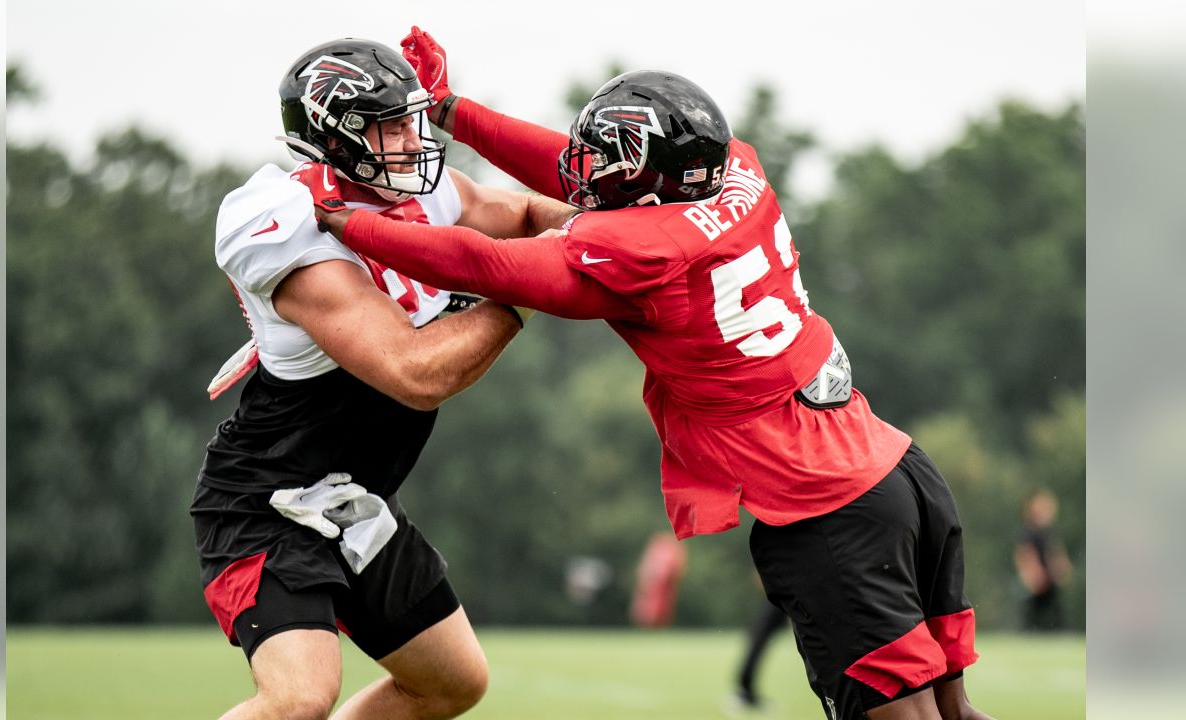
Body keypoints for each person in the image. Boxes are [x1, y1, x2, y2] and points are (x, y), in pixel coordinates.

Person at [294, 26, 999, 720]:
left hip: (823, 505)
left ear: (644, 178)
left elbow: (485, 263)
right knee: (956, 713)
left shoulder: (643, 254)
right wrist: (455, 111)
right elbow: (562, 165)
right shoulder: (739, 169)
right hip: (897, 471)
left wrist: (349, 224)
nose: (585, 170)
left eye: (606, 160)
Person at [192, 38, 584, 720]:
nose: (412, 140)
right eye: (391, 125)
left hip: (354, 498)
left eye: (411, 119)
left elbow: (522, 216)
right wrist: (530, 286)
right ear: (334, 136)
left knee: (451, 682)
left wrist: (599, 234)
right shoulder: (293, 229)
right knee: (299, 698)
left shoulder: (420, 190)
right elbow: (414, 372)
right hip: (270, 498)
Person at [1014, 488, 1073, 632]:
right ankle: (1029, 633)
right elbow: (1024, 553)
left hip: (1050, 577)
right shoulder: (1029, 531)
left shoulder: (1048, 531)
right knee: (1033, 612)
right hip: (1037, 579)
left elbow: (1054, 552)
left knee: (1056, 610)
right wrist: (1032, 574)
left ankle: (1059, 632)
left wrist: (1062, 568)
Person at [729, 578, 790, 713]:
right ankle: (744, 689)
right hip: (782, 586)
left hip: (784, 585)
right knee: (760, 634)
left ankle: (745, 688)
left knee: (760, 634)